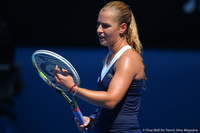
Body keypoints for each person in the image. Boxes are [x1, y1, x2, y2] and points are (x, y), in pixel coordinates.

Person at [54, 1, 145, 133]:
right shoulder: (109, 58)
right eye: (98, 24)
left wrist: (73, 88)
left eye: (105, 26)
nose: (99, 30)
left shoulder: (127, 59)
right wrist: (91, 119)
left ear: (122, 28)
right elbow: (109, 107)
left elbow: (111, 100)